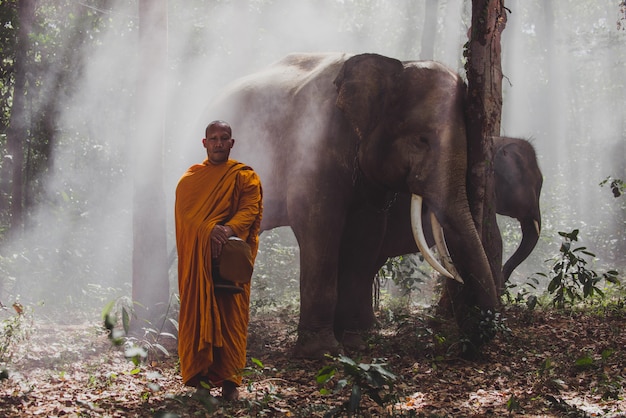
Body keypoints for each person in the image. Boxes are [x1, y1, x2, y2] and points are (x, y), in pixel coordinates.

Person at [175, 120, 263, 401]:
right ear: (204, 143)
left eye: (224, 138)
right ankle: (201, 381)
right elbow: (186, 218)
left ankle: (230, 384)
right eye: (213, 138)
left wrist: (226, 231)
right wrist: (207, 231)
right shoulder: (190, 180)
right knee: (199, 313)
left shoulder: (244, 176)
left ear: (231, 143)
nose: (219, 143)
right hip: (198, 265)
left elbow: (250, 210)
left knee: (231, 317)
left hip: (231, 263)